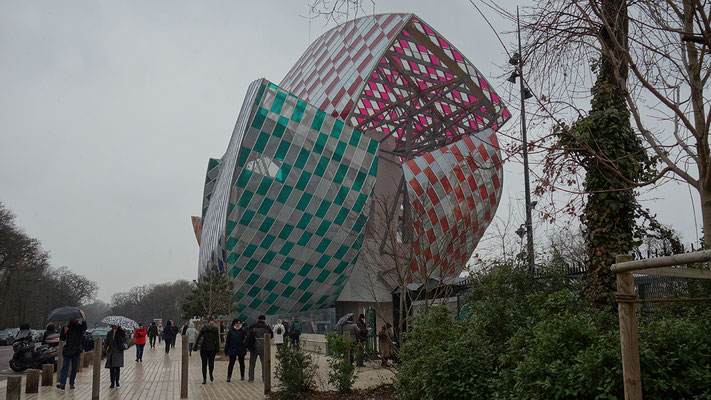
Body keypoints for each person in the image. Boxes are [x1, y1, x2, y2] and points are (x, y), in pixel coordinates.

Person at [56, 311, 87, 390]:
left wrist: (84, 319)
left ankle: (72, 383)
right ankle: (62, 383)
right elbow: (62, 338)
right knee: (65, 366)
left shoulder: (79, 326)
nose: (74, 319)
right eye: (72, 318)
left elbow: (84, 328)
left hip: (76, 350)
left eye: (75, 318)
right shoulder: (66, 327)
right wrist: (65, 332)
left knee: (74, 368)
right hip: (67, 350)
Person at [247, 315, 273, 382]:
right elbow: (271, 336)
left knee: (252, 364)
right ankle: (264, 378)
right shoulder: (267, 327)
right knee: (264, 364)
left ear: (258, 319)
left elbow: (248, 333)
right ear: (264, 320)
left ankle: (251, 378)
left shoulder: (253, 325)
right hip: (263, 347)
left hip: (254, 347)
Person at [195, 319, 220, 384]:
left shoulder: (214, 330)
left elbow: (217, 339)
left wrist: (217, 348)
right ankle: (205, 378)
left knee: (210, 364)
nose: (211, 325)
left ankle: (210, 374)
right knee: (204, 364)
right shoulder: (205, 329)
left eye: (212, 323)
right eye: (210, 323)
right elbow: (199, 337)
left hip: (211, 349)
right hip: (205, 349)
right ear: (208, 323)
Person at [104, 324, 127, 388]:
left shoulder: (121, 332)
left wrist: (119, 337)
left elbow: (125, 340)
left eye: (116, 325)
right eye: (114, 325)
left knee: (117, 367)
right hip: (111, 352)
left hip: (118, 351)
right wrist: (104, 349)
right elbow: (106, 342)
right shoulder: (109, 333)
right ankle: (112, 382)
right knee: (111, 368)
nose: (115, 326)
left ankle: (117, 381)